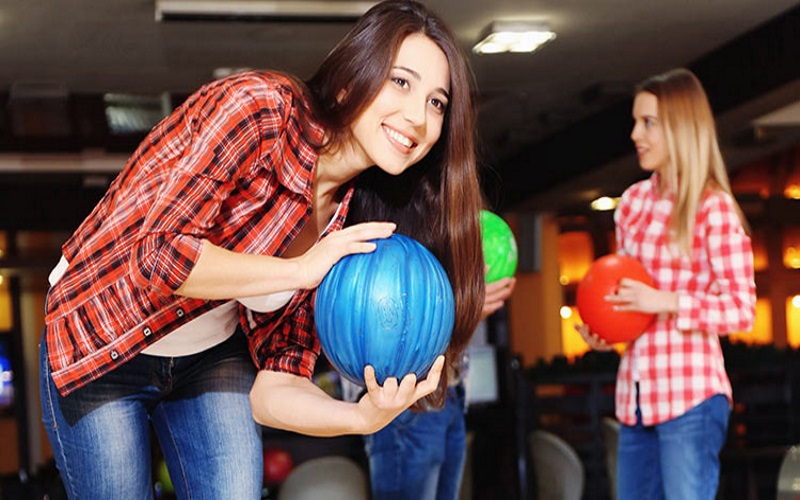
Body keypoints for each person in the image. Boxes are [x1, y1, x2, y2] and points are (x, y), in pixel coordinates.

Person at [39, 1, 486, 498]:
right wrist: (298, 270)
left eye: (437, 102)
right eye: (401, 82)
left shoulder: (352, 219)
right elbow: (159, 256)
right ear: (348, 80)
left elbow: (276, 387)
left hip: (209, 353)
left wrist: (361, 417)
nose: (418, 117)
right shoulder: (259, 111)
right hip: (102, 333)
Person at [577, 68, 756, 500]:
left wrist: (667, 301)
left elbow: (741, 308)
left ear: (680, 128)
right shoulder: (633, 204)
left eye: (649, 123)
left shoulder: (713, 208)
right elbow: (632, 302)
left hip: (691, 396)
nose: (636, 133)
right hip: (637, 397)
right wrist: (608, 332)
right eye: (636, 122)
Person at [345, 176, 516, 499]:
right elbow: (394, 320)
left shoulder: (449, 208)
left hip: (449, 390)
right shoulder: (392, 208)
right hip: (406, 398)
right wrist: (467, 309)